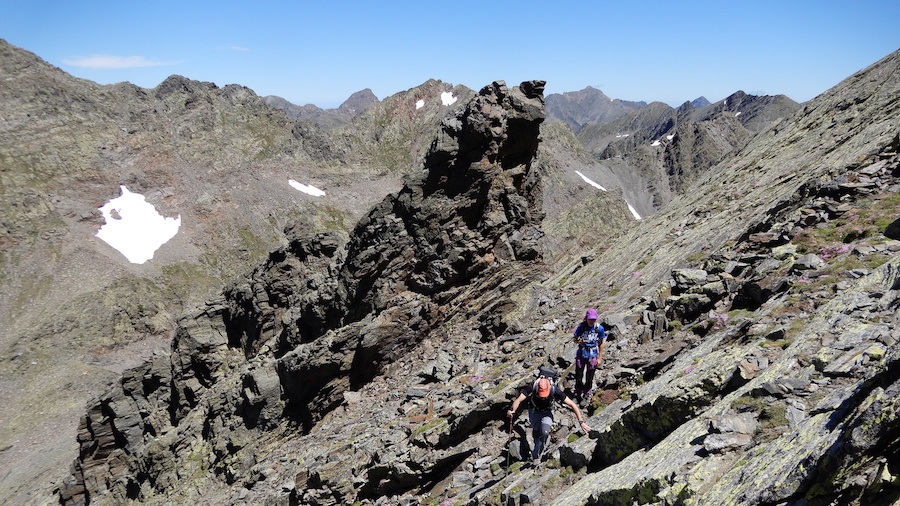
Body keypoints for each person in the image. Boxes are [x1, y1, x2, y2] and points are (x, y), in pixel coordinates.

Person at [507, 370, 592, 464]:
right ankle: (538, 444)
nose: (543, 397)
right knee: (537, 431)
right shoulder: (533, 386)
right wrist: (513, 410)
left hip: (547, 412)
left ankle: (536, 454)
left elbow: (572, 404)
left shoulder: (554, 389)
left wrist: (581, 422)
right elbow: (518, 400)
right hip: (534, 411)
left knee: (544, 432)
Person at [572, 308, 606, 401]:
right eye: (590, 319)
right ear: (586, 318)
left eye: (594, 319)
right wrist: (579, 341)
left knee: (589, 375)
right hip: (581, 353)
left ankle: (587, 393)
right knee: (579, 374)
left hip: (593, 354)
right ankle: (577, 392)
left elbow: (601, 343)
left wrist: (599, 358)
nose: (592, 321)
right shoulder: (581, 327)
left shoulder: (599, 328)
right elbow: (574, 339)